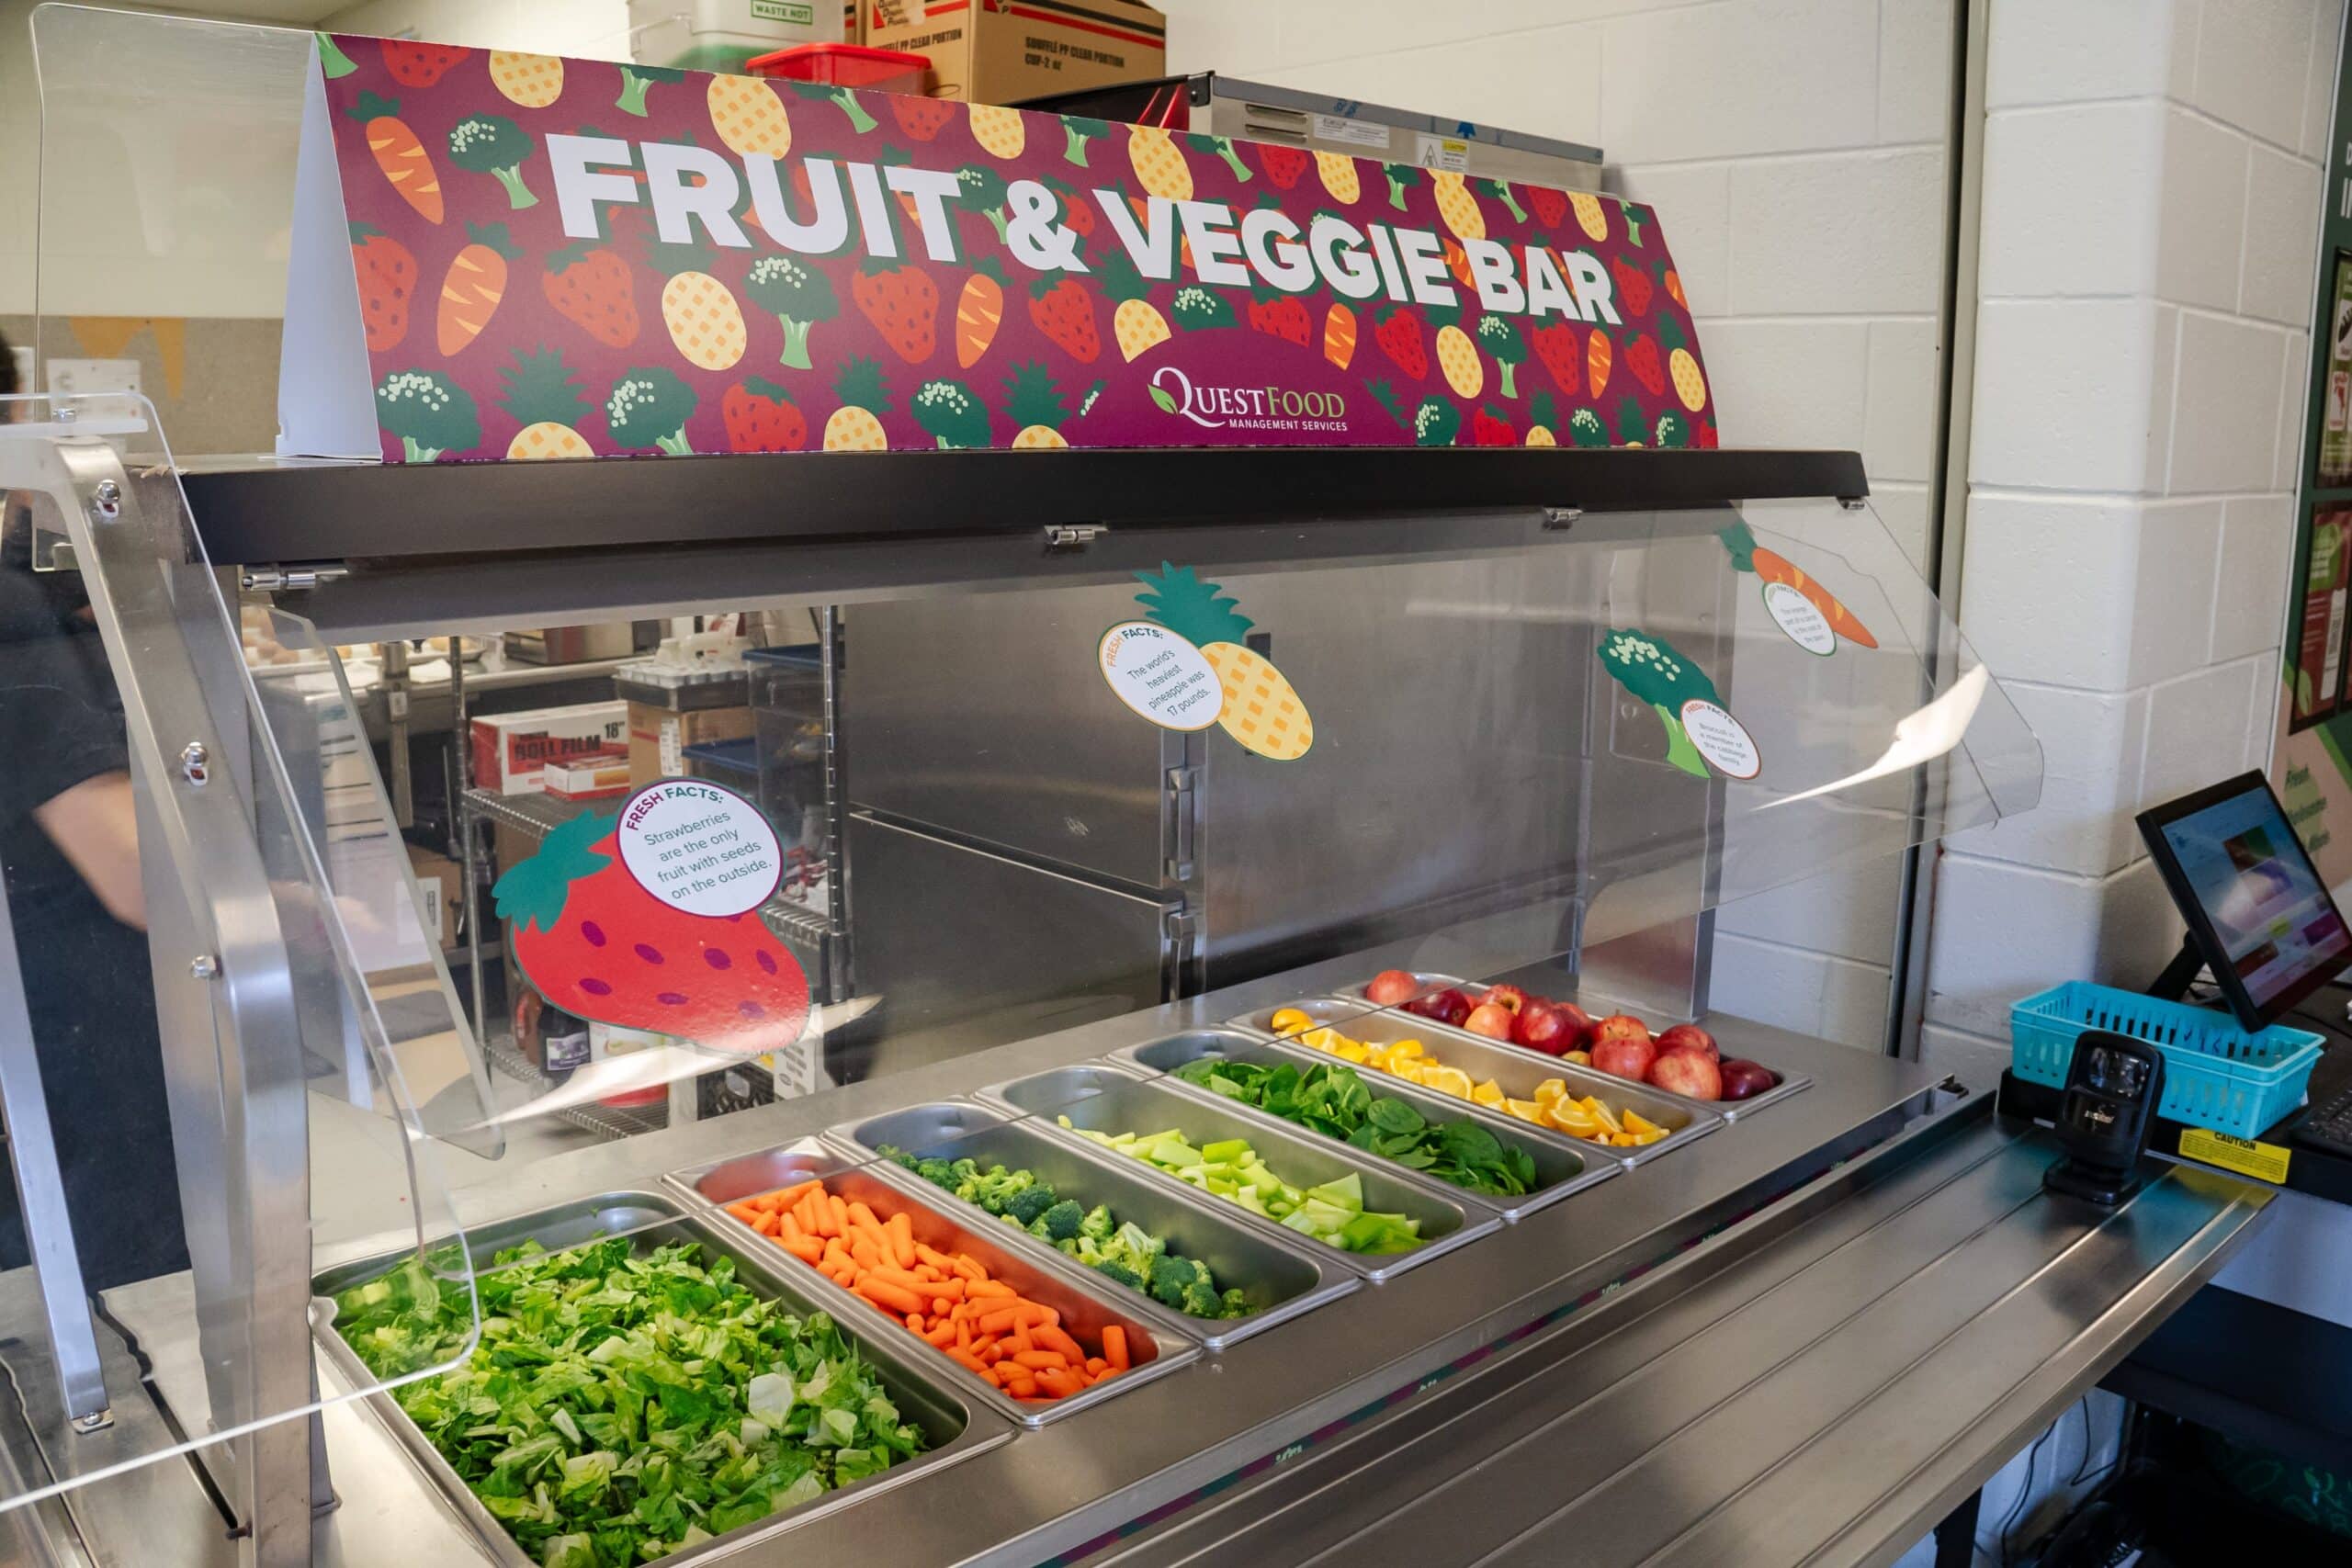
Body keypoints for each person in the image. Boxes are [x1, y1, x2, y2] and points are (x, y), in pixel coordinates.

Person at [0, 331, 187, 1292]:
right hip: (87, 1046)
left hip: (59, 1034)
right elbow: (136, 879)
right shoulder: (10, 634)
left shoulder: (32, 597)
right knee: (130, 1296)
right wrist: (308, 917)